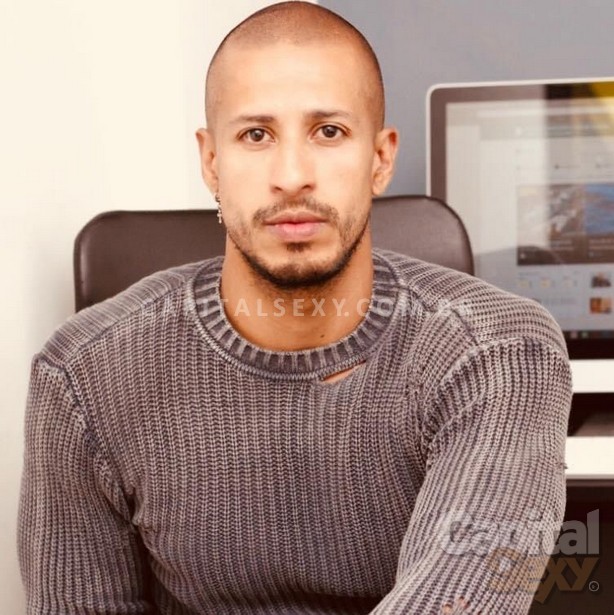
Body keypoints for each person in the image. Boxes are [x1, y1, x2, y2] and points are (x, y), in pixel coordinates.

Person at [18, 2, 572, 614]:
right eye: (256, 135)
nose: (291, 176)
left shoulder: (501, 354)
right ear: (211, 162)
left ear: (381, 159)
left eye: (328, 131)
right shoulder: (82, 376)